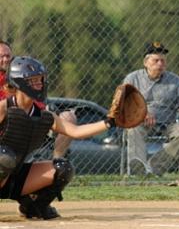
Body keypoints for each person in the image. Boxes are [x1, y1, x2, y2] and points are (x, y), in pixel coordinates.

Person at [0, 56, 118, 219]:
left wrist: (110, 122)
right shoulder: (4, 108)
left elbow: (76, 131)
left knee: (63, 168)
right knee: (4, 156)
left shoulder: (44, 115)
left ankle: (34, 207)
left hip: (13, 175)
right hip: (3, 163)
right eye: (32, 80)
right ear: (18, 83)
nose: (39, 84)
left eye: (40, 80)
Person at [123, 42, 179, 176]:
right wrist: (142, 113)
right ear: (146, 62)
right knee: (133, 128)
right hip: (141, 121)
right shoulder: (132, 79)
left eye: (163, 61)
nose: (160, 64)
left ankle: (156, 165)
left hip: (168, 123)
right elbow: (125, 104)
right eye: (156, 60)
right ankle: (138, 169)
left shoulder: (175, 80)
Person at [0, 41, 76, 160]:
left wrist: (108, 122)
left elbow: (36, 102)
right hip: (8, 128)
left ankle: (55, 163)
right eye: (1, 56)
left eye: (8, 56)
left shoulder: (21, 74)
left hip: (31, 123)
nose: (5, 59)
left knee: (69, 117)